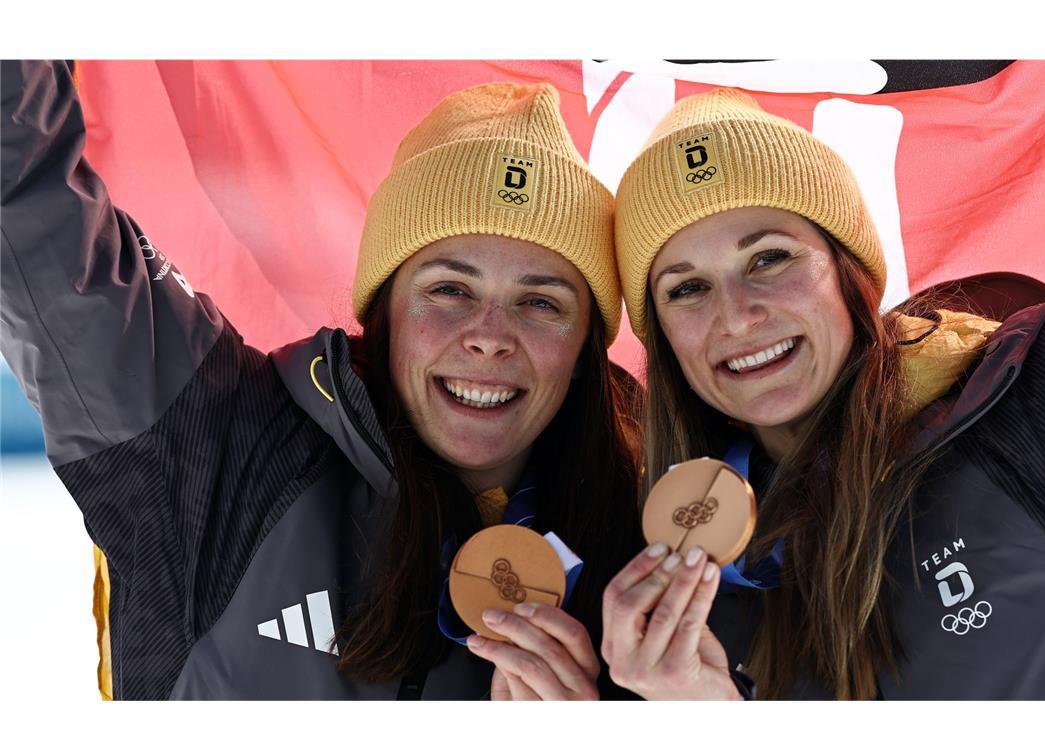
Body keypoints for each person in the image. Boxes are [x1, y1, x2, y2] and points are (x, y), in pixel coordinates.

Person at [1, 60, 643, 700]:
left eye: (541, 303)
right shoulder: (221, 452)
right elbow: (28, 204)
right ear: (383, 311)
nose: (490, 334)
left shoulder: (656, 557)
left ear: (587, 346)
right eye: (449, 289)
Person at [600, 87, 1045, 699]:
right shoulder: (681, 598)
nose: (739, 317)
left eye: (769, 258)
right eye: (687, 289)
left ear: (846, 266)